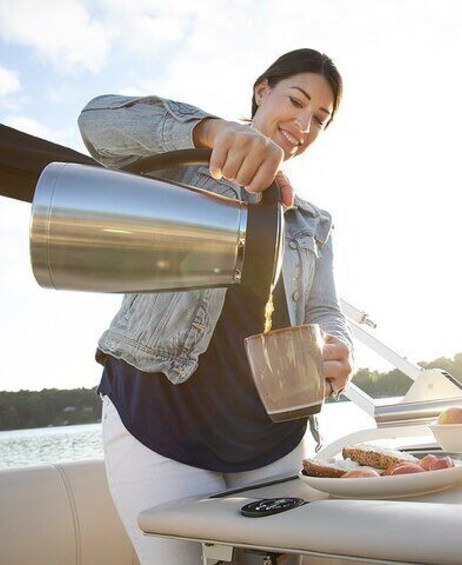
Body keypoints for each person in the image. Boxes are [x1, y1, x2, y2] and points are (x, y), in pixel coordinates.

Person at [77, 48, 354, 564]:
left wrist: (337, 345)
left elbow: (325, 311)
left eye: (320, 118)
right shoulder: (180, 167)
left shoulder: (314, 221)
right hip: (158, 416)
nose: (304, 123)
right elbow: (96, 123)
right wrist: (212, 132)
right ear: (260, 91)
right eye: (296, 101)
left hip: (271, 436)